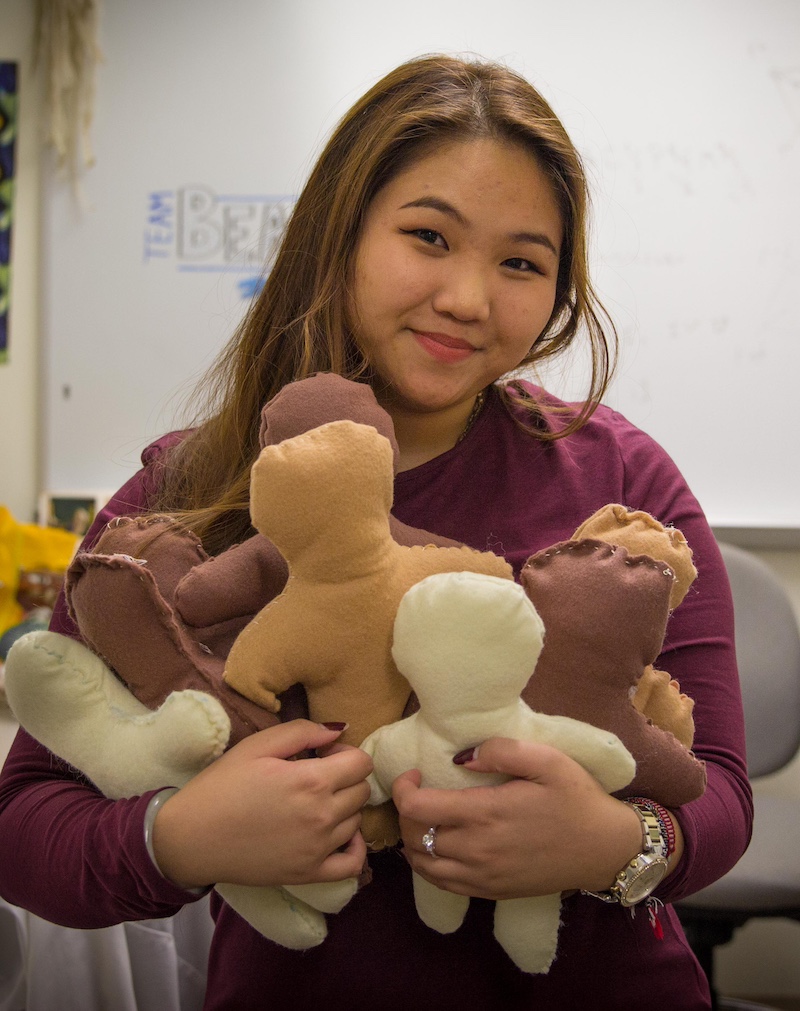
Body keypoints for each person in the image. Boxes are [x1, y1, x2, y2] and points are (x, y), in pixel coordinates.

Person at [0, 54, 750, 1009]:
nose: (470, 298)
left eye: (522, 262)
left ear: (560, 293)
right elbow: (24, 819)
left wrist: (615, 845)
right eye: (429, 237)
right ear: (339, 235)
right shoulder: (188, 487)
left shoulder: (623, 481)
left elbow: (721, 792)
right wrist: (178, 835)